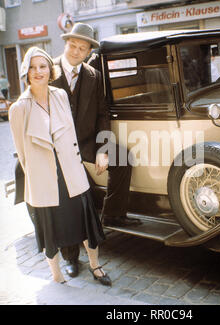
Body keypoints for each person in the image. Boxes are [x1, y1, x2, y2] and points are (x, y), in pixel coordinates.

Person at [9, 47, 111, 286]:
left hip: (71, 169)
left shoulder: (60, 95)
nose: (38, 71)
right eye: (32, 67)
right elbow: (22, 154)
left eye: (42, 66)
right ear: (26, 71)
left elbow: (70, 134)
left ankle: (96, 267)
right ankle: (57, 276)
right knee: (51, 229)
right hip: (44, 177)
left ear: (49, 69)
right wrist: (37, 176)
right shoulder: (19, 108)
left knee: (86, 221)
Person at [50, 22, 141, 278]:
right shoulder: (49, 71)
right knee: (67, 196)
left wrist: (103, 148)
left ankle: (113, 215)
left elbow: (103, 114)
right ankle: (71, 257)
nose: (76, 52)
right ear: (65, 44)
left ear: (89, 51)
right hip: (59, 147)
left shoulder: (93, 75)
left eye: (82, 48)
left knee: (123, 157)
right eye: (72, 46)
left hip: (90, 141)